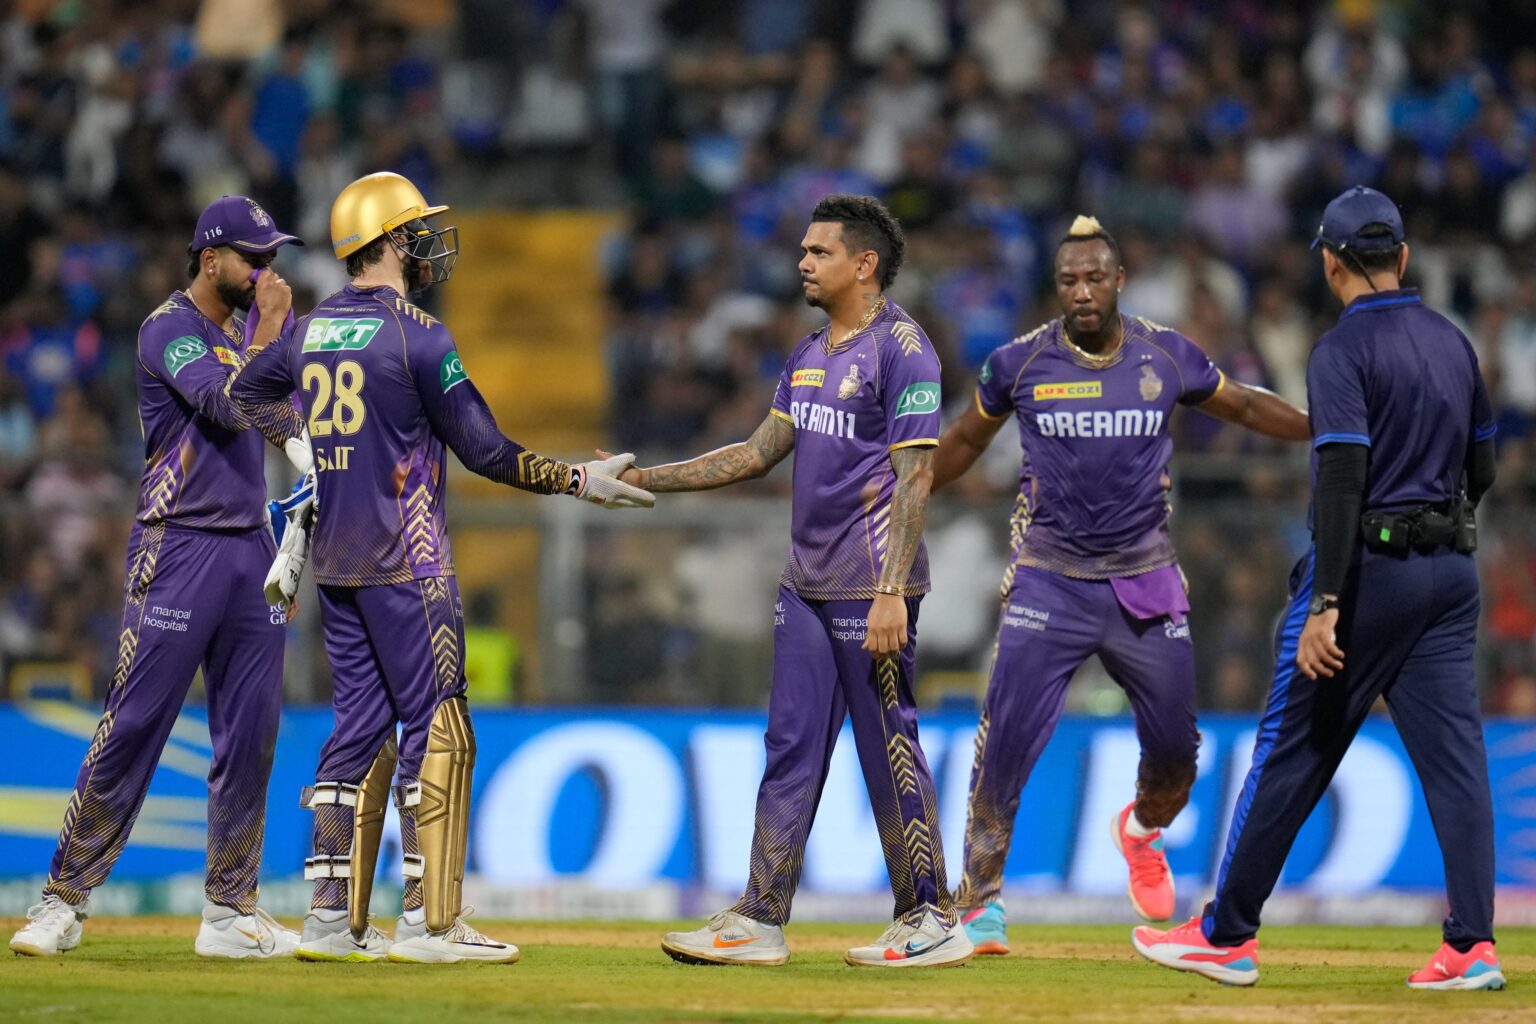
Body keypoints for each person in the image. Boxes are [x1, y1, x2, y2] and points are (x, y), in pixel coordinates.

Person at [229, 171, 654, 964]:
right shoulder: (419, 334)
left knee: (353, 731)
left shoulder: (313, 330)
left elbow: (247, 392)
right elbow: (487, 450)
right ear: (387, 241)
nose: (425, 244)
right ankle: (432, 923)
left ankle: (326, 916)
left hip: (338, 564)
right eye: (415, 231)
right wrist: (579, 481)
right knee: (440, 730)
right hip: (410, 561)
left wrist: (302, 447)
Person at [1133, 186, 1503, 990]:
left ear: (1332, 264)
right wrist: (1443, 530)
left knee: (1290, 750)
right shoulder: (1453, 341)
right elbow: (1484, 469)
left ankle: (1226, 935)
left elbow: (1341, 476)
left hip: (1369, 576)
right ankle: (1472, 945)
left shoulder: (1341, 350)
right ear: (1402, 258)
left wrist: (1329, 604)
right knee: (1457, 763)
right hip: (1451, 573)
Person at [934, 217, 1311, 955]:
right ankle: (978, 905)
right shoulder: (1018, 364)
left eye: (1094, 278)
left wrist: (1323, 427)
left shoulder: (1166, 354)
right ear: (1057, 287)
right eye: (1069, 280)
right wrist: (900, 488)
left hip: (1143, 579)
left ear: (1119, 282)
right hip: (1050, 578)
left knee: (1176, 757)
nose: (1082, 291)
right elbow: (961, 445)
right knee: (1004, 743)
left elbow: (1241, 404)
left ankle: (1140, 831)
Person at [636, 194, 972, 969]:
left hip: (870, 588)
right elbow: (756, 454)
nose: (802, 263)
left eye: (818, 252)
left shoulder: (905, 349)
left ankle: (930, 914)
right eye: (802, 251)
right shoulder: (810, 352)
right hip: (805, 585)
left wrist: (893, 590)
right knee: (790, 746)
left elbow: (916, 476)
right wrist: (646, 478)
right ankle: (760, 917)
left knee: (889, 745)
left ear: (865, 264)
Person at [9, 196, 310, 959]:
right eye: (254, 257)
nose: (266, 271)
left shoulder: (251, 331)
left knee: (252, 734)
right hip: (177, 546)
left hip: (251, 547)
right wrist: (274, 335)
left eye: (272, 257)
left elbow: (280, 416)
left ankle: (230, 912)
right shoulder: (167, 328)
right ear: (211, 258)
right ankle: (61, 901)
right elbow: (227, 404)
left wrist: (307, 475)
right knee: (136, 722)